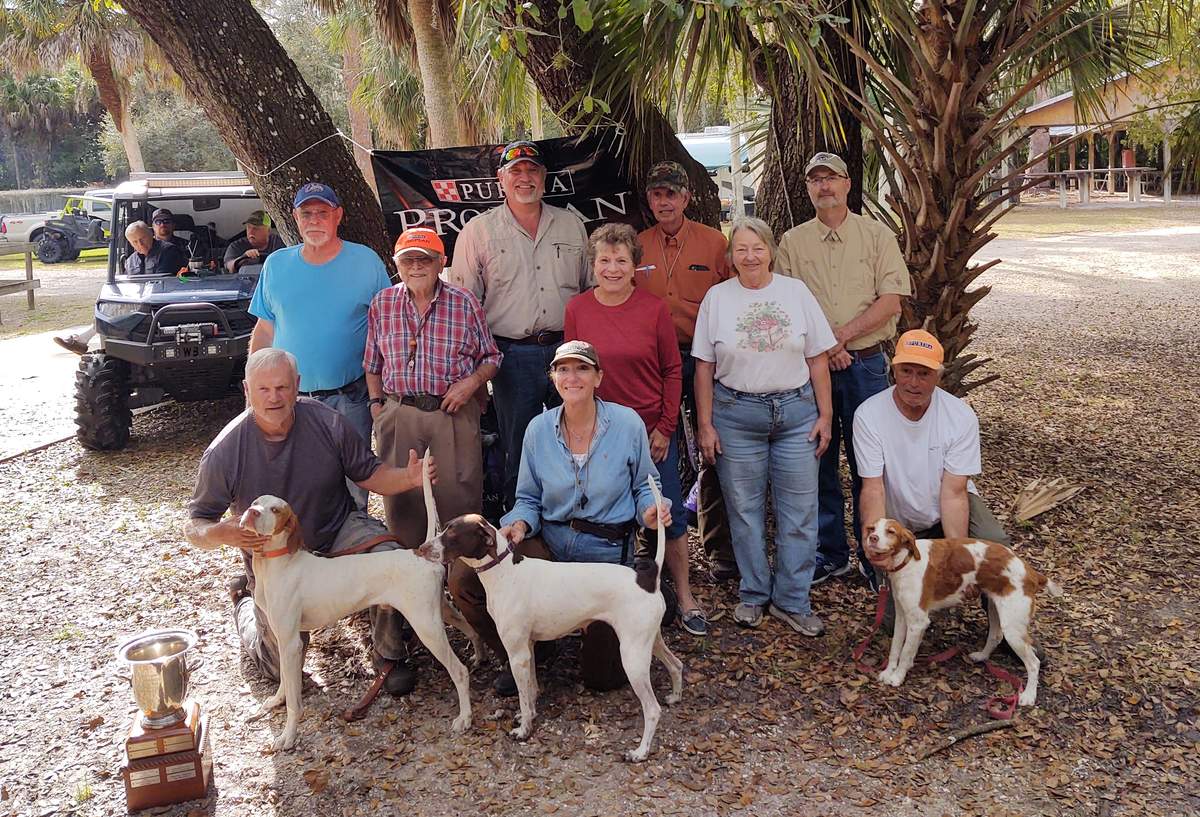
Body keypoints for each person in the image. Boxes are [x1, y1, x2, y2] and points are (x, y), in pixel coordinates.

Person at [184, 347, 437, 695]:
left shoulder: (327, 421)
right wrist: (220, 533)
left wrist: (408, 478)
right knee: (278, 670)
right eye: (264, 389)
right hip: (277, 560)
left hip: (336, 530)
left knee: (388, 555)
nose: (274, 398)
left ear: (297, 385)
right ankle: (244, 603)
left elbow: (369, 473)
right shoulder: (225, 450)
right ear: (247, 390)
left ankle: (389, 655)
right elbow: (195, 524)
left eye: (282, 387)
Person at [447, 340, 670, 696]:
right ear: (553, 378)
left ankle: (610, 618)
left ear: (599, 377)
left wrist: (651, 512)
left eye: (582, 368)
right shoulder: (538, 429)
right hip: (549, 547)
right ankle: (524, 649)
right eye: (563, 369)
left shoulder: (627, 424)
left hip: (604, 554)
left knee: (603, 680)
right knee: (464, 577)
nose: (572, 377)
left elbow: (648, 485)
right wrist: (519, 522)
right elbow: (527, 498)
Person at [693, 217, 836, 636]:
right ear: (730, 256)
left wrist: (825, 415)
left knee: (799, 513)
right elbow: (704, 366)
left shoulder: (795, 292)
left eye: (757, 248)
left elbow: (817, 359)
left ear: (770, 250)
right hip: (736, 415)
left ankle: (793, 599)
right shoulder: (717, 298)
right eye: (741, 249)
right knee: (745, 511)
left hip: (796, 415)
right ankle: (754, 593)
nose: (750, 256)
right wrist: (705, 424)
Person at [775, 152, 911, 586]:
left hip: (865, 367)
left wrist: (841, 338)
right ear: (808, 188)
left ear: (848, 183)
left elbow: (892, 300)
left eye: (831, 177)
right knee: (819, 459)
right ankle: (830, 553)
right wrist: (826, 346)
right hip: (810, 370)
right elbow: (784, 305)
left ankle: (877, 556)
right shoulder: (792, 243)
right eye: (815, 180)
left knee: (869, 464)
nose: (824, 186)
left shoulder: (876, 236)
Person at [564, 223, 706, 636]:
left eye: (620, 260)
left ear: (634, 267)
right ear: (593, 265)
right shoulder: (577, 310)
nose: (612, 268)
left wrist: (664, 427)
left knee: (669, 514)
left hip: (650, 432)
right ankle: (612, 600)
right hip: (599, 433)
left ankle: (685, 596)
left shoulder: (654, 308)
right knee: (606, 513)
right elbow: (573, 373)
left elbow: (672, 369)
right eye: (604, 260)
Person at [450, 140, 591, 512]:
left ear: (544, 178)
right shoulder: (478, 232)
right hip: (511, 357)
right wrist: (475, 376)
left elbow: (592, 292)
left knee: (577, 443)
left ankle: (574, 528)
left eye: (532, 171)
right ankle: (520, 536)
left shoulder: (571, 224)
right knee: (520, 449)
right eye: (516, 171)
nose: (525, 178)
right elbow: (464, 309)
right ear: (501, 179)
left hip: (569, 353)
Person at [249, 182, 391, 508]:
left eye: (322, 213)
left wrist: (380, 395)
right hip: (289, 400)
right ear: (295, 218)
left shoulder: (366, 261)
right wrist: (251, 385)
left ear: (337, 215)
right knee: (294, 479)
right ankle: (305, 552)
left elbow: (387, 329)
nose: (314, 220)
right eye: (306, 213)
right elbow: (265, 329)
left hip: (351, 397)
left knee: (354, 482)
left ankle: (352, 547)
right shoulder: (276, 265)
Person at [364, 227, 502, 547]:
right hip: (400, 413)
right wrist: (377, 407)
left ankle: (461, 582)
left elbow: (492, 357)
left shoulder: (464, 302)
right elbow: (372, 365)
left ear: (442, 262)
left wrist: (471, 384)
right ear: (396, 264)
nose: (416, 267)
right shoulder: (382, 303)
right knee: (403, 504)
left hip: (451, 412)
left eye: (425, 259)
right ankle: (411, 578)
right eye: (408, 260)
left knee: (459, 502)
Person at [636, 160, 738, 583]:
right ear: (649, 199)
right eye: (657, 194)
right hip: (654, 362)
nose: (664, 201)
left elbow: (735, 298)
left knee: (714, 450)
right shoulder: (637, 245)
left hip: (703, 358)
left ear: (686, 198)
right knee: (653, 449)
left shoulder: (715, 243)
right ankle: (651, 543)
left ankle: (719, 550)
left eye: (672, 194)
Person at [854, 330, 1011, 588]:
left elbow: (954, 493)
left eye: (924, 374)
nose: (913, 383)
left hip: (948, 505)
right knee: (901, 618)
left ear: (938, 376)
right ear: (894, 370)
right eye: (906, 371)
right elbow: (872, 487)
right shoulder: (868, 414)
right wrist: (872, 538)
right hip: (898, 514)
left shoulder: (960, 416)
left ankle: (998, 623)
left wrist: (958, 557)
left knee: (995, 546)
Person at [53, 220, 187, 354]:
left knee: (113, 311)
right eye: (134, 242)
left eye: (142, 239)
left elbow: (160, 280)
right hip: (138, 303)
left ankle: (83, 341)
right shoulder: (130, 261)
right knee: (108, 306)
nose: (140, 244)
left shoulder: (168, 251)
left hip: (160, 303)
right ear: (129, 243)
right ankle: (91, 344)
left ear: (151, 234)